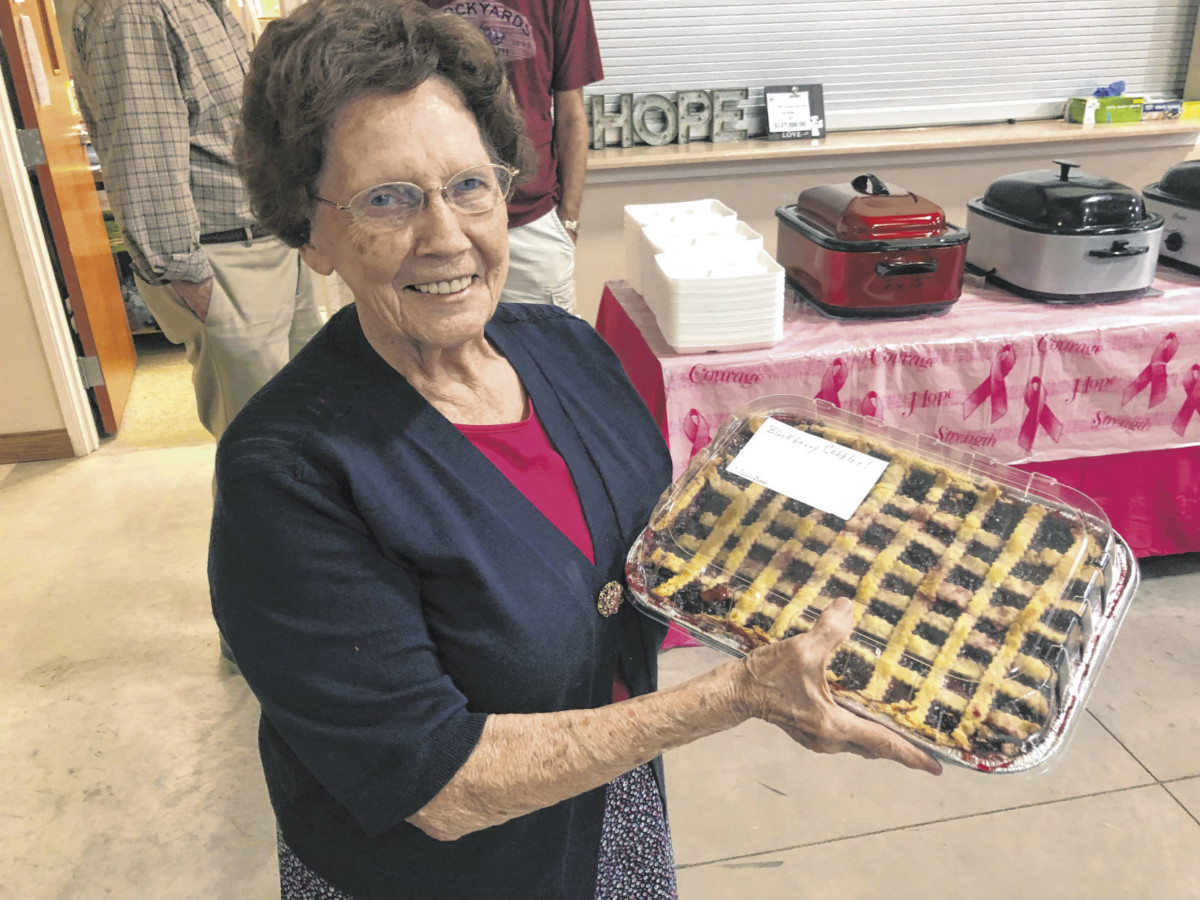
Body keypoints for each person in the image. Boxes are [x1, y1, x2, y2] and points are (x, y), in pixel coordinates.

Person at [209, 1, 941, 896]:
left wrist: (858, 541)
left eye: (469, 185)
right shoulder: (288, 476)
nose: (446, 236)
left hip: (608, 803)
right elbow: (438, 782)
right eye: (387, 199)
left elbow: (662, 542)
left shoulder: (564, 350)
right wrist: (738, 694)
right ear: (312, 232)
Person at [70, 0, 324, 441]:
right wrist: (188, 278)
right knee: (259, 443)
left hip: (273, 239)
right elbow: (144, 160)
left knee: (307, 419)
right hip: (222, 259)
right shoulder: (135, 11)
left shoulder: (206, 6)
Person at [424, 0, 598, 314]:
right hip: (438, 215)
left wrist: (569, 222)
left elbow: (571, 112)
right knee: (439, 358)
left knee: (545, 357)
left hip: (531, 220)